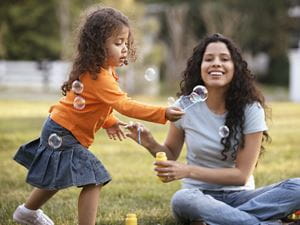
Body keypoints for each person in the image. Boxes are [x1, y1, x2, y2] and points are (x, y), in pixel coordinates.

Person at [12, 6, 184, 225]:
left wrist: (109, 121)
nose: (124, 49)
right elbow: (124, 104)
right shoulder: (99, 76)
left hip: (60, 128)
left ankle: (27, 213)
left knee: (56, 176)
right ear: (98, 46)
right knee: (94, 179)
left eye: (125, 42)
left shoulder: (100, 71)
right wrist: (163, 113)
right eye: (118, 43)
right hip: (64, 132)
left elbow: (92, 106)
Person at [125, 33, 300, 225]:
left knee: (297, 187)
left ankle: (221, 220)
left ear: (235, 68)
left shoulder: (250, 108)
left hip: (242, 196)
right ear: (199, 67)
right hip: (198, 197)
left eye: (224, 59)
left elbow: (241, 176)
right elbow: (170, 154)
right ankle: (255, 221)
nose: (216, 63)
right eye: (209, 59)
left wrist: (188, 170)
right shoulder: (184, 106)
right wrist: (149, 142)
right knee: (182, 199)